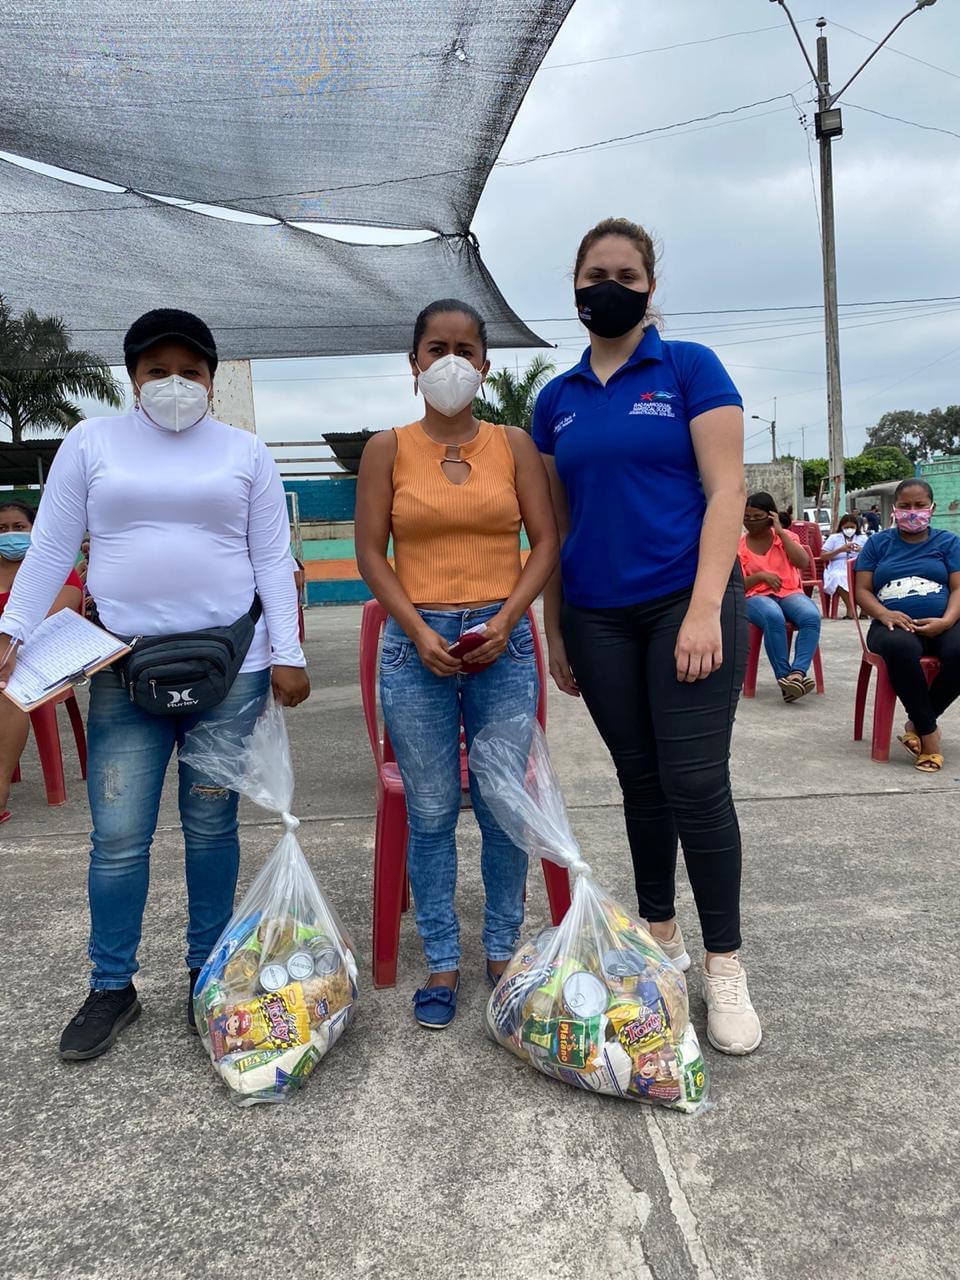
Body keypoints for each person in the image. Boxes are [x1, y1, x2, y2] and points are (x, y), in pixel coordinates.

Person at [0, 308, 310, 1061]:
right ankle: (112, 985)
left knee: (211, 826)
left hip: (231, 670)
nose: (176, 384)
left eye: (190, 371)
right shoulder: (91, 444)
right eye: (157, 371)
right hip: (123, 669)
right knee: (117, 837)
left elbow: (272, 559)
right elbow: (50, 549)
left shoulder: (245, 453)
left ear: (212, 378)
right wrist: (10, 631)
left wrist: (290, 652)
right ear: (133, 378)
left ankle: (208, 972)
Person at [533, 217, 761, 1056]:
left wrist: (704, 609)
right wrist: (556, 628)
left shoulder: (690, 368)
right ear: (575, 284)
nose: (610, 287)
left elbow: (727, 491)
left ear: (650, 288)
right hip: (596, 615)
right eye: (596, 273)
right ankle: (661, 937)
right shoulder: (555, 401)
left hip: (683, 602)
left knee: (695, 781)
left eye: (626, 275)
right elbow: (555, 525)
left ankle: (725, 962)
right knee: (641, 782)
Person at [355, 298, 559, 1029]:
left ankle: (502, 951)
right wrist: (415, 630)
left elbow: (545, 542)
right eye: (435, 349)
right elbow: (370, 554)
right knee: (433, 808)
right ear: (413, 363)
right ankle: (442, 957)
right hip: (417, 645)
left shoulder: (513, 445)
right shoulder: (387, 450)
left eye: (464, 350)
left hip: (502, 641)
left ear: (485, 366)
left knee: (504, 804)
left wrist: (506, 621)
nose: (450, 362)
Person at [855, 478, 960, 772]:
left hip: (943, 621)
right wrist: (884, 614)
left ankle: (918, 723)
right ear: (894, 508)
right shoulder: (878, 544)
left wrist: (947, 621)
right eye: (905, 505)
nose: (912, 512)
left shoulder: (948, 542)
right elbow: (862, 590)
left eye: (919, 505)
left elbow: (958, 588)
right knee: (900, 648)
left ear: (932, 508)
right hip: (891, 625)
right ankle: (930, 737)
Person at [0, 500, 84, 824]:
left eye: (18, 527)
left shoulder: (52, 569)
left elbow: (57, 613)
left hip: (39, 658)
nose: (9, 535)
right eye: (2, 529)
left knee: (6, 688)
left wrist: (10, 640)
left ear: (34, 530)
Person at [739, 492, 822, 702]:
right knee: (772, 616)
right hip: (753, 597)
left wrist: (781, 533)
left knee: (811, 616)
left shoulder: (787, 537)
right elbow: (738, 585)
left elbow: (802, 562)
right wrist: (760, 577)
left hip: (788, 592)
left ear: (771, 516)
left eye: (757, 517)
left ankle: (797, 674)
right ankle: (785, 679)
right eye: (747, 517)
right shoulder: (739, 546)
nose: (751, 521)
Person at [821, 513, 866, 619]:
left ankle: (865, 610)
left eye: (852, 527)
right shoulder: (834, 538)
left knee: (867, 578)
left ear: (857, 527)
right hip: (838, 567)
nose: (849, 530)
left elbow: (872, 554)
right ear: (841, 527)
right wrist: (840, 550)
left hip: (857, 565)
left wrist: (861, 550)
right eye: (846, 527)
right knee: (838, 577)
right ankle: (851, 609)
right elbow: (823, 556)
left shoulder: (863, 538)